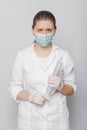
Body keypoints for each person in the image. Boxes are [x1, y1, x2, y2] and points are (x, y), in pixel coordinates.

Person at [8, 10, 77, 130]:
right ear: (33, 30)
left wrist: (60, 86)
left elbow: (71, 89)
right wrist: (30, 97)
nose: (44, 34)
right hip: (29, 121)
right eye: (40, 30)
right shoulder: (23, 56)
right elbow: (14, 88)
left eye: (48, 30)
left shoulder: (63, 55)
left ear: (54, 30)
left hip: (57, 120)